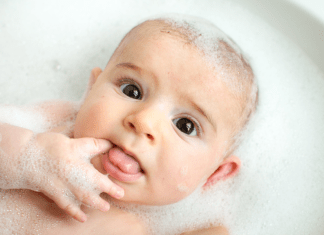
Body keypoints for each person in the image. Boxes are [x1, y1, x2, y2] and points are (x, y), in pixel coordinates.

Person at [0, 15, 258, 234]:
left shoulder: (188, 225)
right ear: (91, 89)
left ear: (215, 175)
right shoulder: (54, 125)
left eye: (185, 125)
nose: (144, 121)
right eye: (132, 90)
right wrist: (27, 154)